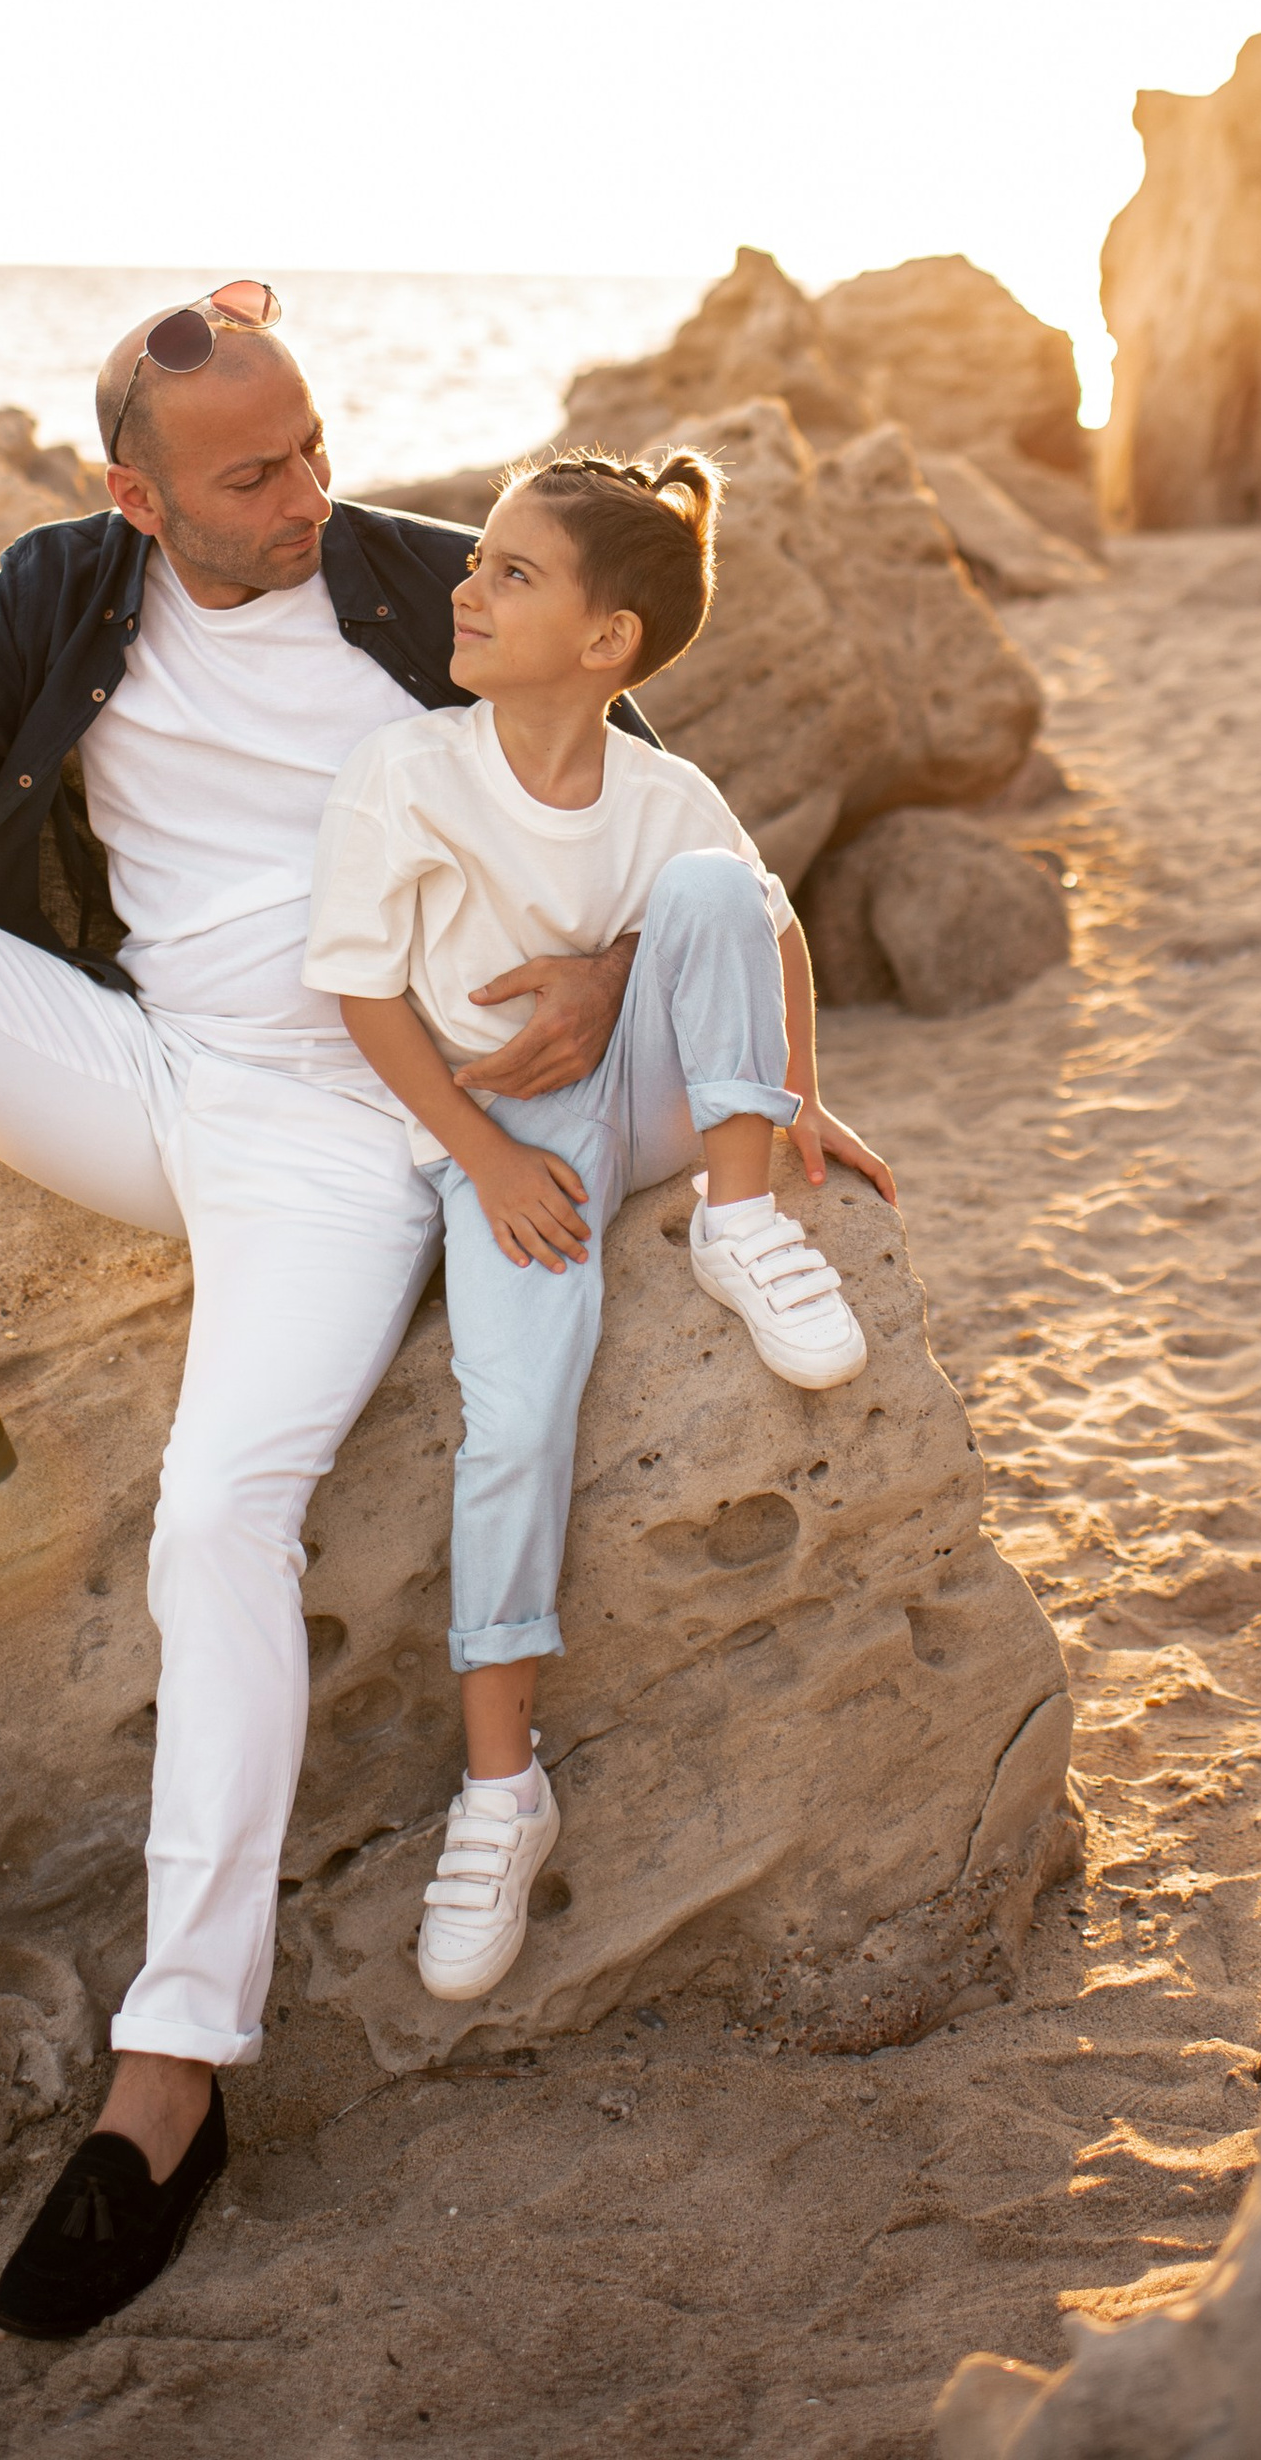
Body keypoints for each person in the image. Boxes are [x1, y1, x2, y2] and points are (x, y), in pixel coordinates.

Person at [0, 283, 660, 2343]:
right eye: (253, 474)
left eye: (313, 444)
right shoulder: (65, 598)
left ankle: (170, 2079)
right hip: (157, 1075)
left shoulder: (428, 590)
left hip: (356, 1139)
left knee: (214, 1519)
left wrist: (614, 978)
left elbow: (670, 828)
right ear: (137, 497)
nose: (309, 491)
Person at [304, 446, 894, 2002]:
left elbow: (770, 931)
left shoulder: (666, 797)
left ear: (606, 639)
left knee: (708, 890)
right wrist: (482, 1164)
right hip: (507, 1137)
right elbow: (364, 994)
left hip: (648, 1099)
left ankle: (739, 1225)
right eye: (477, 562)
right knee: (514, 1423)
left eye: (510, 572)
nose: (466, 587)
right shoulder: (409, 774)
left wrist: (794, 1098)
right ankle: (505, 1790)